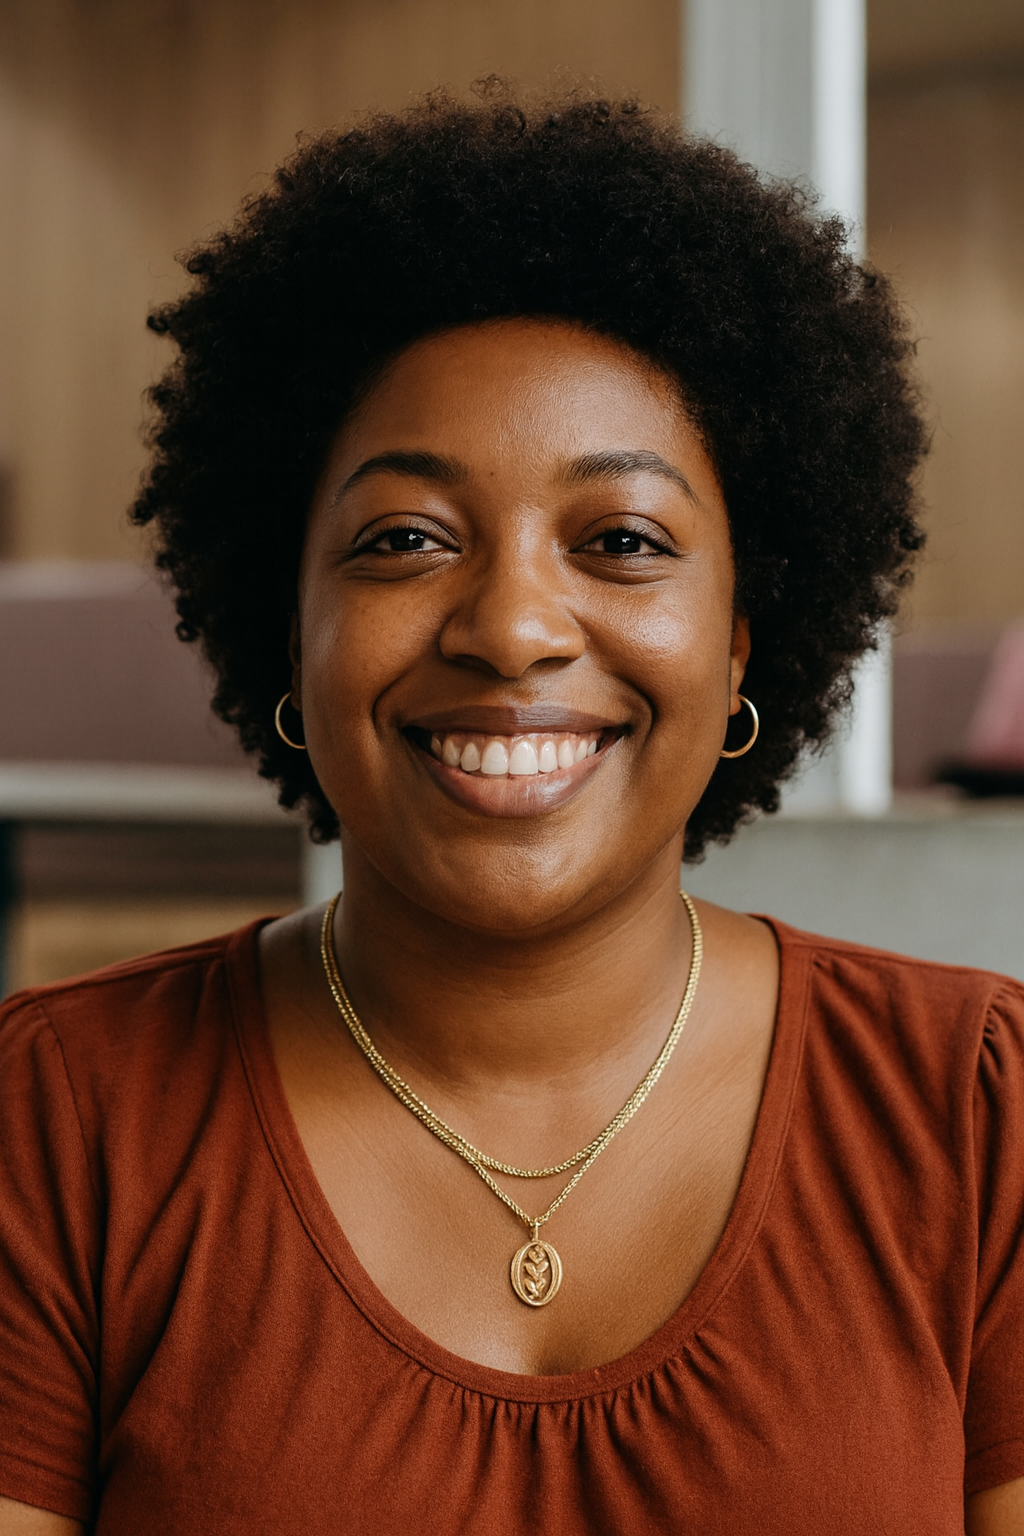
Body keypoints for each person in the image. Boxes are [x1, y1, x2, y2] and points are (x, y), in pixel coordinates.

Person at [0, 92, 1021, 1535]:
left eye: (620, 542)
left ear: (743, 641)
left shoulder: (982, 1113)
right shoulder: (51, 1125)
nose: (513, 626)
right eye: (405, 539)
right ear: (287, 631)